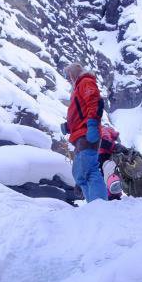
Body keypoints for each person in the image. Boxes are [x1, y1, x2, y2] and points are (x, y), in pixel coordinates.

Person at [60, 63, 109, 202]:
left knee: (89, 170)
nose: (68, 80)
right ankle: (93, 204)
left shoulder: (85, 82)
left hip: (87, 133)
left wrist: (93, 125)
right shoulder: (78, 87)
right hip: (81, 134)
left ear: (73, 74)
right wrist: (69, 126)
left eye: (68, 76)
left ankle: (100, 205)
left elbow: (94, 102)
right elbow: (80, 113)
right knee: (79, 173)